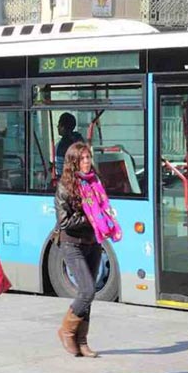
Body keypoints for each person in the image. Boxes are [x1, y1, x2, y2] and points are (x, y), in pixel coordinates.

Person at [53, 141, 122, 358]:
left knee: (89, 294)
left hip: (93, 242)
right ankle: (66, 330)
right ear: (73, 162)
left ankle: (82, 341)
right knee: (88, 290)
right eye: (82, 159)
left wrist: (105, 216)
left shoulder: (94, 182)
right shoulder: (65, 186)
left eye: (88, 158)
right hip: (71, 242)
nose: (87, 162)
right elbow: (64, 221)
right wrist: (92, 218)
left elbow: (101, 207)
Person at [54, 113, 85, 178]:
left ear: (64, 127)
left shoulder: (65, 145)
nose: (57, 127)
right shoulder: (78, 141)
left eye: (59, 125)